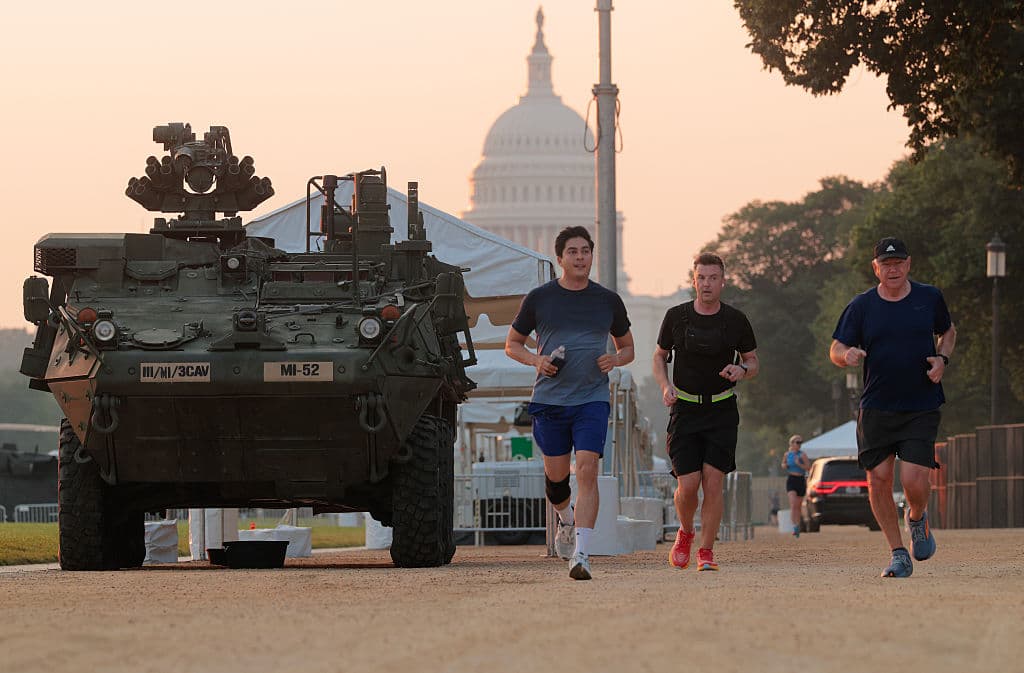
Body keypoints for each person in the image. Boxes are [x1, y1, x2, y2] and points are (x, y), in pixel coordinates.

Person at [505, 226, 634, 580]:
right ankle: (565, 517)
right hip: (550, 399)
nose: (580, 258)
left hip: (592, 397)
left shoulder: (607, 300)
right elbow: (512, 344)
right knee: (557, 477)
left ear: (592, 255)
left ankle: (582, 553)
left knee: (588, 468)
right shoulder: (540, 298)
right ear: (559, 259)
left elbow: (628, 347)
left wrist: (616, 360)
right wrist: (537, 360)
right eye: (573, 252)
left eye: (586, 251)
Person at [830, 237, 955, 578]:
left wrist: (942, 359)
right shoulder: (862, 306)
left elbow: (948, 331)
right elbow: (837, 347)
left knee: (915, 481)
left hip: (921, 403)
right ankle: (898, 553)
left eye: (898, 262)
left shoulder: (929, 297)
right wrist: (847, 355)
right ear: (876, 268)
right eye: (886, 264)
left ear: (909, 264)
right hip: (877, 407)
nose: (893, 268)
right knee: (879, 481)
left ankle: (916, 518)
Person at [652, 252, 758, 571]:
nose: (707, 283)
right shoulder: (676, 317)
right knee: (687, 486)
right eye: (702, 277)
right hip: (685, 408)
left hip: (722, 409)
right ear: (693, 280)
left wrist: (741, 369)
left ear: (723, 281)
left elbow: (753, 362)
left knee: (713, 481)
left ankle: (707, 551)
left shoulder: (735, 320)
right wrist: (664, 386)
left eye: (714, 278)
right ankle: (685, 532)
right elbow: (659, 357)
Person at [781, 435, 810, 537]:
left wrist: (799, 464)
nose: (799, 445)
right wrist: (785, 465)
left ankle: (798, 526)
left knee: (798, 506)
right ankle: (794, 526)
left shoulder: (802, 455)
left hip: (801, 480)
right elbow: (783, 464)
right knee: (793, 505)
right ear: (792, 444)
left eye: (800, 443)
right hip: (791, 480)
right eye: (797, 442)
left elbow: (808, 468)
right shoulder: (787, 454)